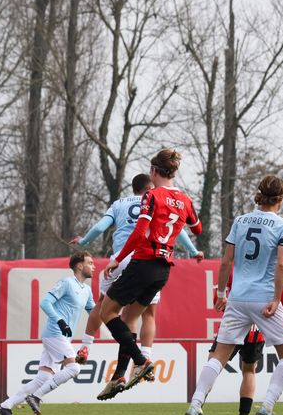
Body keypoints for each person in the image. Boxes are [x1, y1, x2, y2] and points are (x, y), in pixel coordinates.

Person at [180, 175, 283, 415]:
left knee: (219, 356)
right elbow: (281, 264)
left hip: (237, 297)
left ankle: (195, 405)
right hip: (264, 297)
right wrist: (277, 298)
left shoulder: (241, 221)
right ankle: (266, 406)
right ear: (281, 198)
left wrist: (221, 292)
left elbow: (225, 262)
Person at [82, 149, 201, 393]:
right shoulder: (185, 199)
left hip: (144, 261)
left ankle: (141, 360)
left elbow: (138, 233)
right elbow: (196, 228)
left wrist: (118, 259)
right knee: (130, 318)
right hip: (163, 270)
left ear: (154, 171)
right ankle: (118, 376)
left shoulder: (152, 196)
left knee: (106, 311)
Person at [0, 252, 95, 415]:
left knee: (43, 378)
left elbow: (95, 313)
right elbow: (45, 303)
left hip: (63, 338)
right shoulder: (67, 283)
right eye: (90, 263)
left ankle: (5, 406)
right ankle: (36, 397)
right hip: (54, 333)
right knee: (74, 368)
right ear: (79, 265)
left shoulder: (87, 290)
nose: (94, 266)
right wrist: (60, 321)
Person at [209, 283, 283, 415]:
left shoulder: (236, 265)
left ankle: (195, 408)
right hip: (256, 330)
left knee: (213, 362)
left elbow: (217, 296)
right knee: (249, 370)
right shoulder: (271, 267)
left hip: (234, 323)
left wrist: (232, 310)